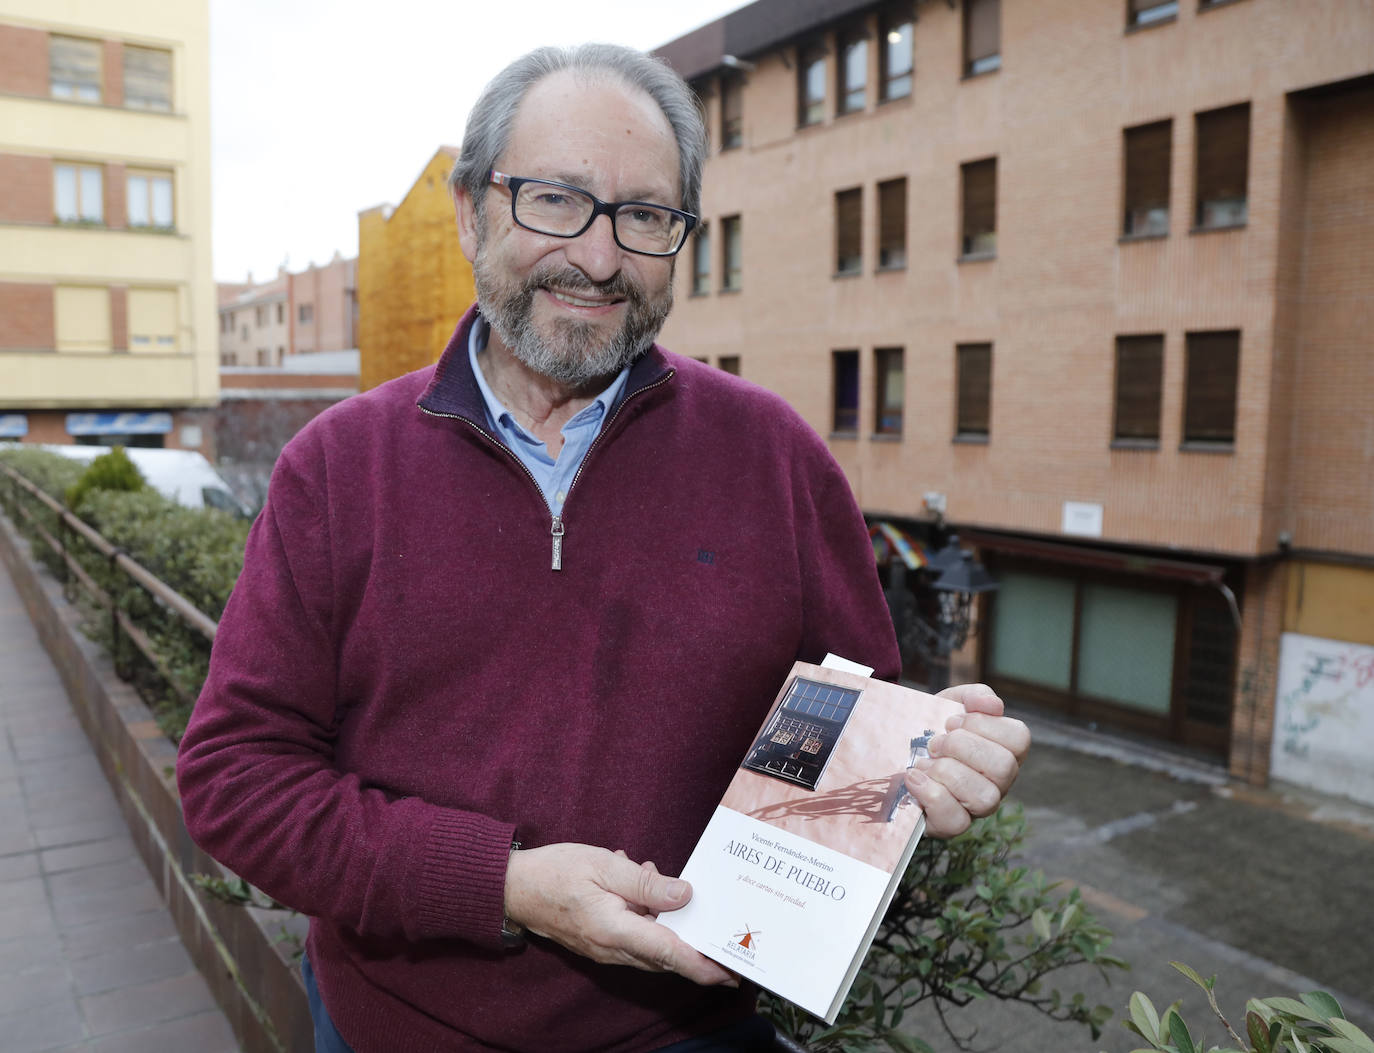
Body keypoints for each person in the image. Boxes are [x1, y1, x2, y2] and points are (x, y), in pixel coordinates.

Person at [176, 42, 1029, 1053]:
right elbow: (235, 781)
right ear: (470, 210)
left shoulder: (777, 458)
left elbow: (844, 739)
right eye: (555, 201)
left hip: (689, 1034)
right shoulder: (336, 469)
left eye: (644, 217)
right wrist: (500, 884)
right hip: (393, 1032)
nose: (596, 256)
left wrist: (920, 761)